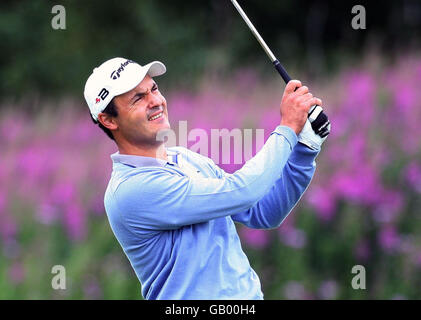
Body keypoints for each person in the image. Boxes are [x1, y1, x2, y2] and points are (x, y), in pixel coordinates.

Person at [84, 57, 329, 300]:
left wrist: (305, 148)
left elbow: (263, 211)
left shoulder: (186, 159)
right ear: (108, 120)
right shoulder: (131, 189)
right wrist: (287, 128)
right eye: (138, 98)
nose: (155, 101)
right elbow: (242, 192)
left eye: (154, 89)